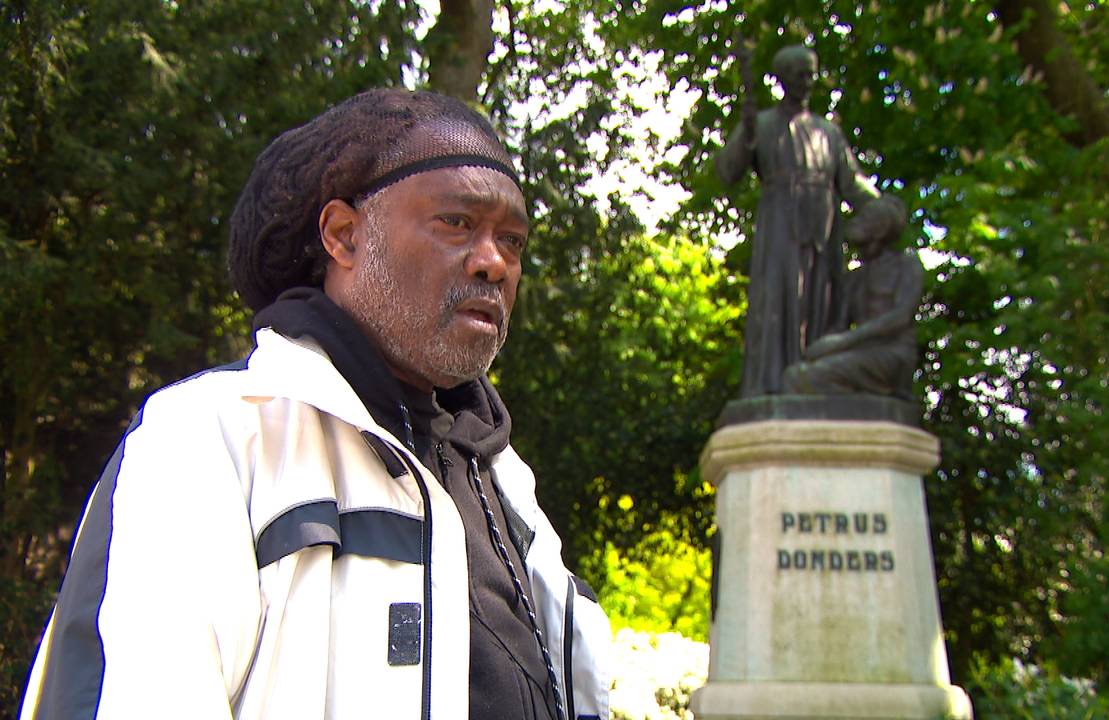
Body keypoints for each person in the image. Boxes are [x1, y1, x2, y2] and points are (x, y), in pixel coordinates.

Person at [21, 89, 611, 720]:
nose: (495, 262)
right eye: (457, 223)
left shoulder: (506, 485)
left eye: (514, 241)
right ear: (343, 235)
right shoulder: (212, 438)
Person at [715, 44, 879, 397]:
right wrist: (745, 134)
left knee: (823, 298)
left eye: (811, 73)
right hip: (780, 221)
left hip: (823, 223)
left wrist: (883, 208)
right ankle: (773, 383)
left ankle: (818, 382)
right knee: (779, 297)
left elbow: (851, 181)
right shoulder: (761, 123)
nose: (808, 81)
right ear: (782, 78)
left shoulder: (828, 133)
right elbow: (728, 170)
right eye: (800, 73)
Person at [782, 195, 922, 398]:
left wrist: (841, 342)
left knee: (808, 379)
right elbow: (840, 326)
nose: (855, 222)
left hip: (892, 355)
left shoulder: (906, 266)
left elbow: (900, 317)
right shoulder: (854, 279)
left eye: (864, 218)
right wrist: (818, 348)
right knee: (794, 377)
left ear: (881, 229)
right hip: (859, 354)